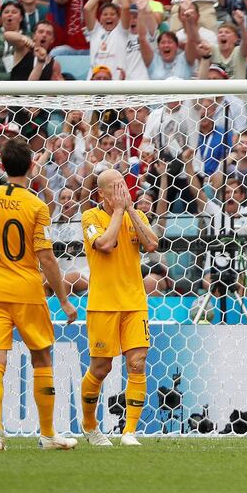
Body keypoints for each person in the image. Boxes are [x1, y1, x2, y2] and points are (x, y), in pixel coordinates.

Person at [0, 138, 78, 451]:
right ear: (32, 166)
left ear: (1, 166)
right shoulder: (36, 205)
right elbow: (46, 257)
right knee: (42, 357)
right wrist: (64, 300)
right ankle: (47, 435)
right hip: (27, 289)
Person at [80, 169, 159, 446]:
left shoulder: (136, 216)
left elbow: (151, 243)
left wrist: (131, 212)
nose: (122, 192)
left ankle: (129, 432)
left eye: (123, 186)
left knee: (137, 363)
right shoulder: (90, 217)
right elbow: (105, 243)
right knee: (101, 368)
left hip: (135, 303)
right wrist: (117, 213)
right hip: (103, 304)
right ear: (102, 193)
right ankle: (89, 426)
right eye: (114, 188)